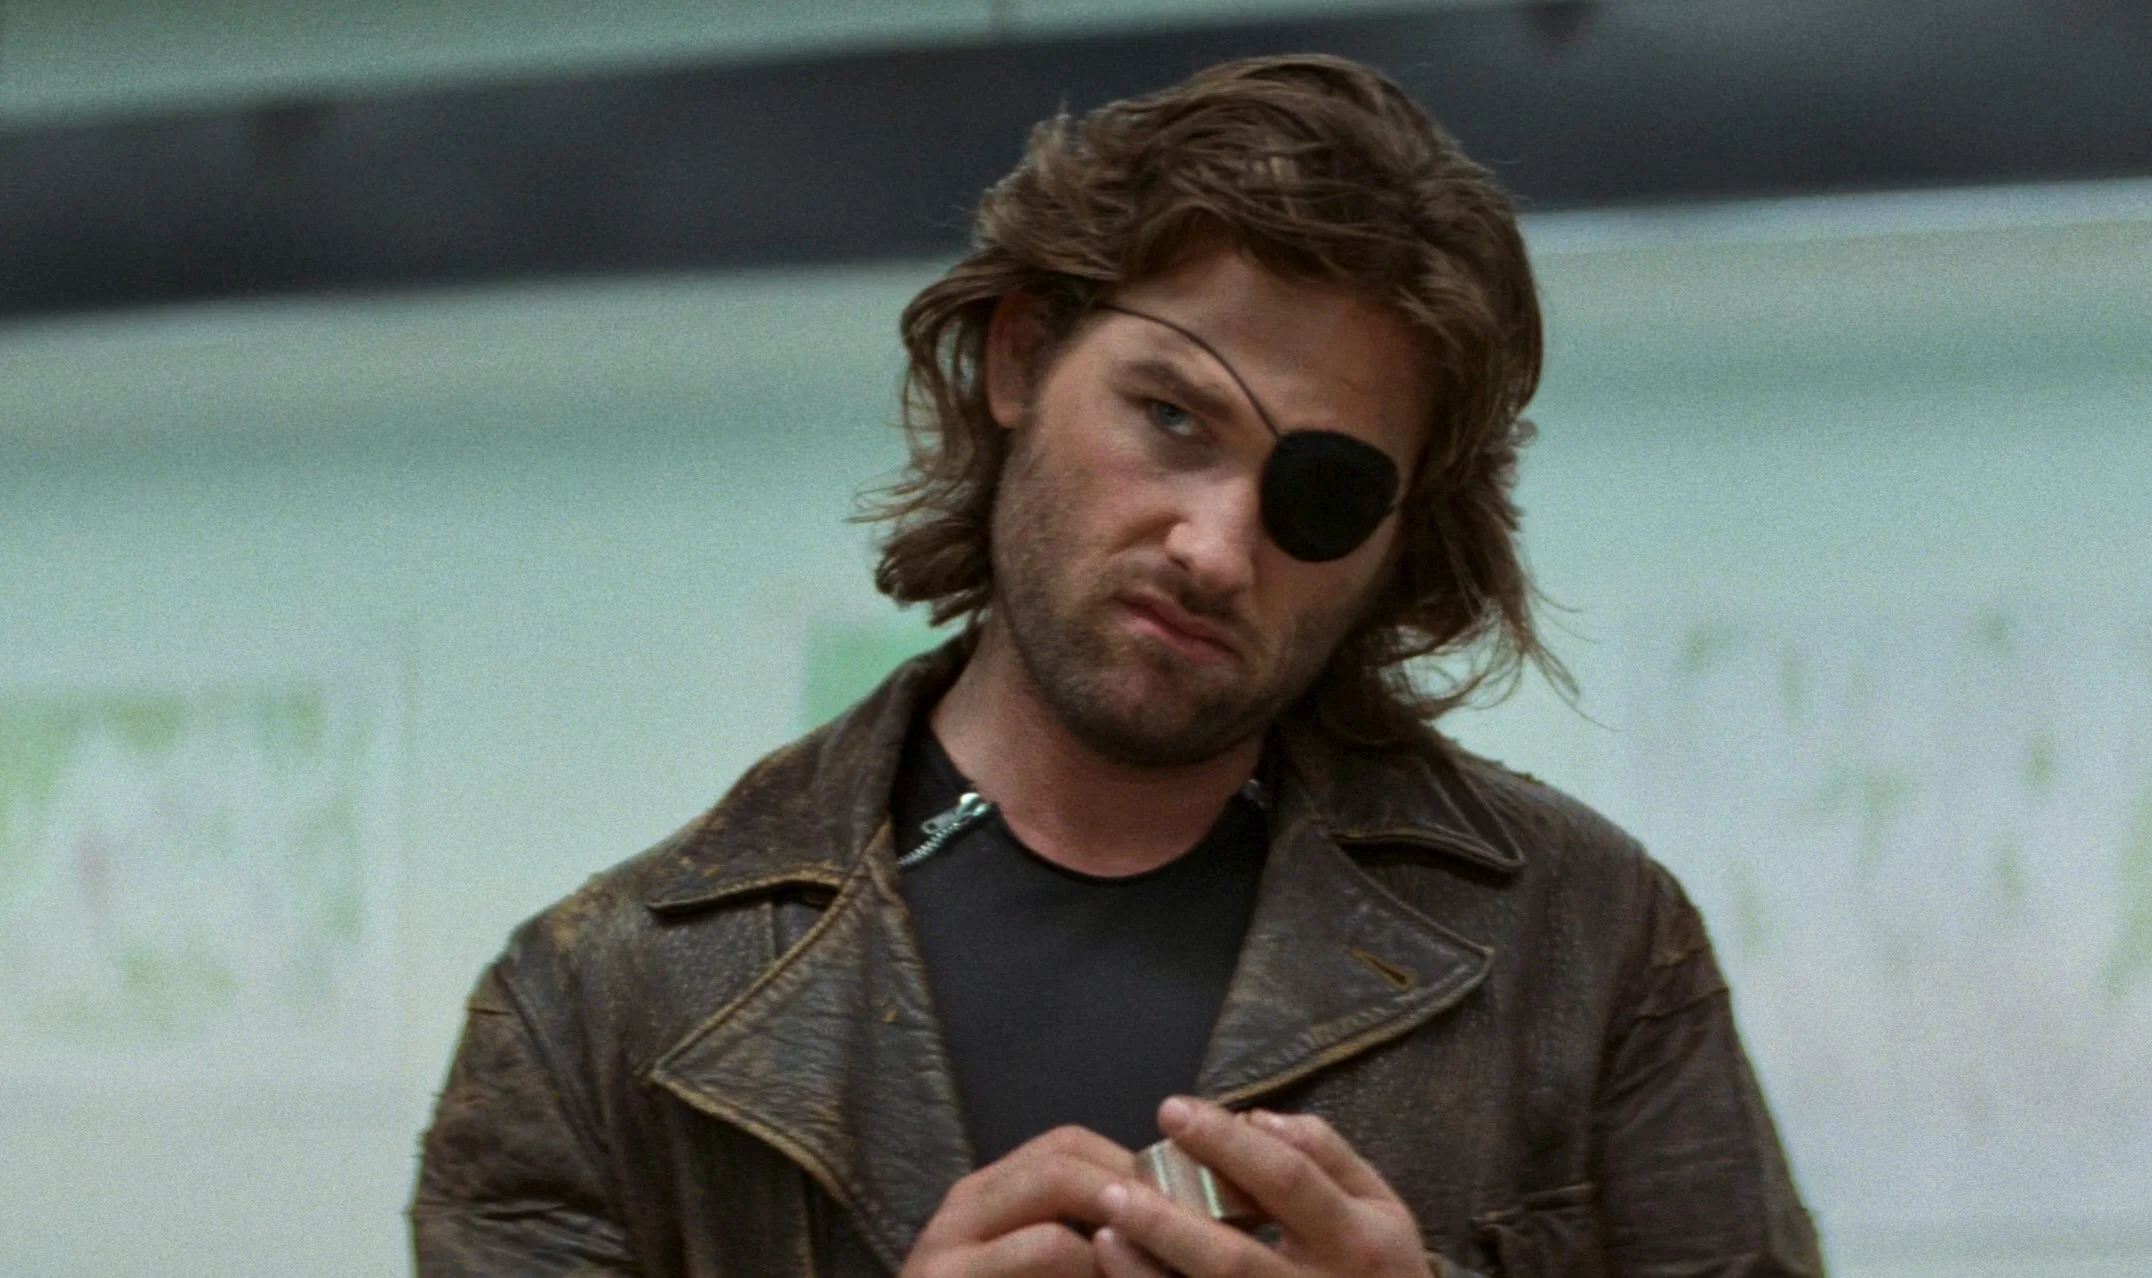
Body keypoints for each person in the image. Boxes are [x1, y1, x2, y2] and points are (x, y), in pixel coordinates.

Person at [412, 53, 1820, 1278]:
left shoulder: (1589, 947)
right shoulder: (600, 1011)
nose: (1215, 547)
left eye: (1321, 495)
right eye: (1172, 417)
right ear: (1022, 358)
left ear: (1397, 545)